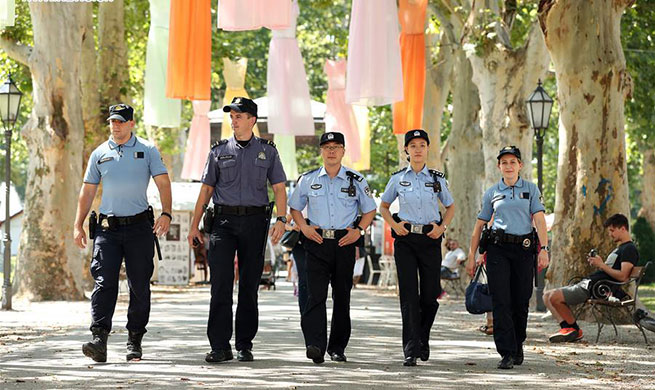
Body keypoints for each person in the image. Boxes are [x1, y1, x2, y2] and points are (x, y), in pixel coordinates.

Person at [187, 97, 287, 363]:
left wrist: (281, 219)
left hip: (255, 223)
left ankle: (244, 343)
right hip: (223, 223)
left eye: (239, 116)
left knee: (249, 285)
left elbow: (278, 188)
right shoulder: (218, 151)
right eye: (231, 116)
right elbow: (206, 189)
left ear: (252, 120)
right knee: (220, 284)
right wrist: (194, 225)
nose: (234, 120)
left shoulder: (268, 151)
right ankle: (220, 346)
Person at [73, 103, 172, 362]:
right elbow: (88, 191)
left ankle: (134, 339)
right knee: (104, 284)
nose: (115, 126)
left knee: (139, 286)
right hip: (108, 230)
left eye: (120, 121)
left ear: (131, 124)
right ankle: (99, 340)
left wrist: (166, 213)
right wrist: (78, 224)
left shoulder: (147, 150)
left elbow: (163, 182)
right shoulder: (99, 153)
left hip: (140, 228)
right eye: (112, 121)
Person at [288, 131, 376, 364]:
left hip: (344, 243)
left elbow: (370, 210)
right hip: (316, 243)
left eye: (336, 147)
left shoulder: (356, 180)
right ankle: (315, 344)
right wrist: (304, 227)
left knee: (342, 296)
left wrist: (359, 231)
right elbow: (295, 208)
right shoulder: (307, 179)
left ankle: (337, 347)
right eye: (327, 147)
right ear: (321, 151)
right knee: (315, 295)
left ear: (343, 151)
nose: (331, 151)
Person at [466, 145, 549, 370]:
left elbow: (540, 220)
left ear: (520, 165)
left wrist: (544, 249)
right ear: (499, 167)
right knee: (501, 301)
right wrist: (471, 256)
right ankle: (506, 352)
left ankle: (517, 343)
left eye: (513, 162)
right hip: (497, 251)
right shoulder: (492, 192)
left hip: (523, 249)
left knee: (521, 301)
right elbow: (479, 225)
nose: (509, 166)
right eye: (504, 162)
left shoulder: (531, 189)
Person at [379, 129, 455, 366]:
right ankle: (411, 349)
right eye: (413, 145)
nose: (418, 149)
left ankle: (423, 336)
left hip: (431, 239)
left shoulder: (437, 179)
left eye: (422, 145)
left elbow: (450, 207)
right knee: (409, 295)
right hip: (406, 240)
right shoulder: (398, 178)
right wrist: (395, 224)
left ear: (428, 149)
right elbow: (383, 207)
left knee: (431, 295)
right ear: (407, 150)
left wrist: (442, 228)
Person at [543, 213, 638, 343]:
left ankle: (573, 330)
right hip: (591, 284)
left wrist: (602, 265)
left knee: (553, 297)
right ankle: (569, 329)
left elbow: (622, 276)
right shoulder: (621, 248)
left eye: (612, 230)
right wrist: (599, 264)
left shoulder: (629, 249)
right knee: (546, 296)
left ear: (623, 228)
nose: (610, 234)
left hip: (596, 288)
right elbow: (609, 271)